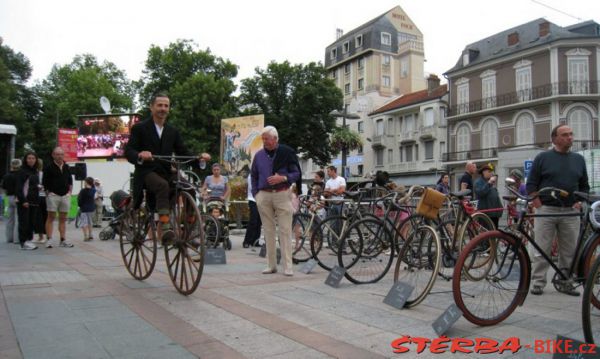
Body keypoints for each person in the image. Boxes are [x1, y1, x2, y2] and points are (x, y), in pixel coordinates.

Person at [125, 92, 210, 243]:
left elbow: (183, 152)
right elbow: (129, 151)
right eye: (159, 105)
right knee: (162, 185)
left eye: (166, 106)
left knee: (189, 188)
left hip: (165, 171)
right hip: (147, 171)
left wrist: (199, 159)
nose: (163, 109)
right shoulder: (140, 128)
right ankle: (165, 228)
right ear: (151, 107)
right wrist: (140, 155)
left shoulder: (172, 130)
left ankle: (188, 228)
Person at [526, 124, 589, 296]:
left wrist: (578, 202)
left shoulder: (578, 159)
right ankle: (538, 282)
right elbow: (531, 184)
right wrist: (537, 203)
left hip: (570, 211)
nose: (570, 137)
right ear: (555, 138)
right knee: (542, 248)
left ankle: (565, 281)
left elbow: (584, 186)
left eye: (571, 134)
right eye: (565, 134)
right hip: (546, 209)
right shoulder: (542, 158)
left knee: (569, 250)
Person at [251, 126, 300, 276]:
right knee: (268, 231)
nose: (264, 141)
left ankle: (288, 267)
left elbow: (296, 173)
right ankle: (271, 265)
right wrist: (256, 194)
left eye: (266, 139)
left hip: (282, 194)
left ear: (275, 139)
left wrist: (283, 178)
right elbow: (253, 175)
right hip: (263, 196)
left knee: (285, 231)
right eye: (263, 139)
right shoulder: (258, 156)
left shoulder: (286, 153)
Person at [43, 146, 74, 248]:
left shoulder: (66, 166)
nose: (59, 156)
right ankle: (49, 239)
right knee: (51, 217)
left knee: (63, 219)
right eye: (57, 154)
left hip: (65, 195)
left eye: (61, 154)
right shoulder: (48, 167)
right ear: (53, 155)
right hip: (53, 195)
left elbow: (70, 180)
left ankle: (63, 239)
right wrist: (49, 193)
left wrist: (69, 192)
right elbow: (44, 182)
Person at [16, 152, 42, 250]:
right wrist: (23, 200)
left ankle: (29, 240)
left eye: (33, 158)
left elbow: (34, 185)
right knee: (24, 222)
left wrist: (39, 187)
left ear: (36, 160)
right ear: (25, 160)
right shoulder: (22, 171)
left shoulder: (35, 171)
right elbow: (19, 188)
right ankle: (23, 241)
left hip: (34, 200)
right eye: (29, 158)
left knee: (31, 222)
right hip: (25, 201)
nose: (31, 160)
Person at [474, 163, 502, 229]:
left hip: (494, 213)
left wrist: (500, 210)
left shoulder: (490, 182)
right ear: (483, 172)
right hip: (485, 214)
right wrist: (489, 183)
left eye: (491, 172)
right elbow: (480, 192)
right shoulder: (478, 182)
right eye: (489, 172)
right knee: (486, 233)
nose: (491, 173)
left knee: (494, 233)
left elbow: (495, 195)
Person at [2, 159, 21, 243]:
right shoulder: (20, 175)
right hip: (18, 197)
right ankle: (17, 239)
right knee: (18, 218)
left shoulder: (6, 175)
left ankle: (9, 238)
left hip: (9, 197)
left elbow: (4, 187)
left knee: (10, 219)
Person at [242, 173, 262, 248]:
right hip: (253, 199)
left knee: (259, 221)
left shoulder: (262, 174)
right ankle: (246, 241)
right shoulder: (251, 175)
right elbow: (252, 187)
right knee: (253, 221)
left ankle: (255, 241)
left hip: (261, 200)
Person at [78, 177, 96, 241]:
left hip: (84, 209)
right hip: (91, 208)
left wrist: (80, 205)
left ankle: (85, 236)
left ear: (86, 182)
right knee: (90, 222)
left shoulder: (83, 191)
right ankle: (90, 234)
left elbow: (79, 200)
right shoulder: (93, 190)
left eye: (85, 182)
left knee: (84, 222)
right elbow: (92, 188)